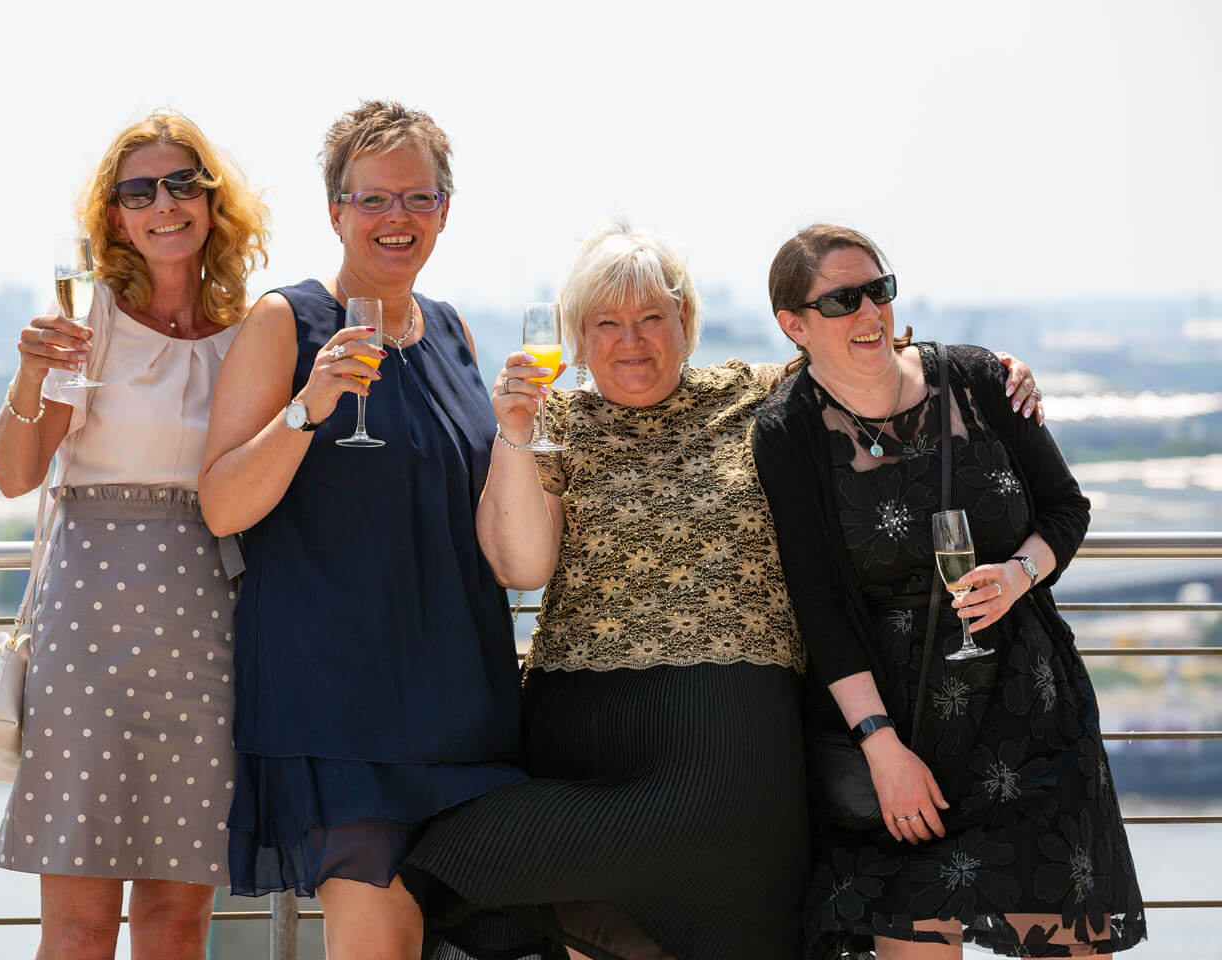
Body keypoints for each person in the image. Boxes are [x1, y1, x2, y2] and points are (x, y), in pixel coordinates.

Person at [398, 216, 1045, 960]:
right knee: (497, 865)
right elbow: (521, 568)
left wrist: (989, 371)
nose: (631, 340)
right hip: (585, 714)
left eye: (651, 318)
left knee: (705, 870)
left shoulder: (758, 396)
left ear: (687, 321)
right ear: (576, 338)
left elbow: (866, 360)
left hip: (731, 718)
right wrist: (512, 428)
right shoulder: (554, 419)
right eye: (606, 323)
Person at [752, 224, 1146, 958]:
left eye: (878, 290)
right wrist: (880, 749)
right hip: (908, 746)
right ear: (794, 325)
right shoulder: (788, 431)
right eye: (842, 300)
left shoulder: (980, 379)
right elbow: (821, 606)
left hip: (1031, 718)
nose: (869, 313)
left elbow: (1067, 507)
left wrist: (1019, 574)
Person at [197, 100, 523, 959]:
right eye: (373, 200)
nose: (396, 220)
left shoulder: (452, 331)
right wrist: (310, 407)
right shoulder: (286, 322)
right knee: (378, 938)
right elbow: (223, 504)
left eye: (418, 199)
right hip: (338, 700)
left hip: (463, 695)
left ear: (446, 210)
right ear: (335, 210)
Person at [0, 112, 270, 959]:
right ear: (114, 215)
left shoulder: (253, 330)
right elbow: (13, 474)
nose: (163, 204)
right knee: (76, 923)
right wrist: (32, 373)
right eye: (139, 190)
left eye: (183, 183)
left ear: (214, 204)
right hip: (91, 633)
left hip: (208, 634)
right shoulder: (91, 316)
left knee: (178, 920)